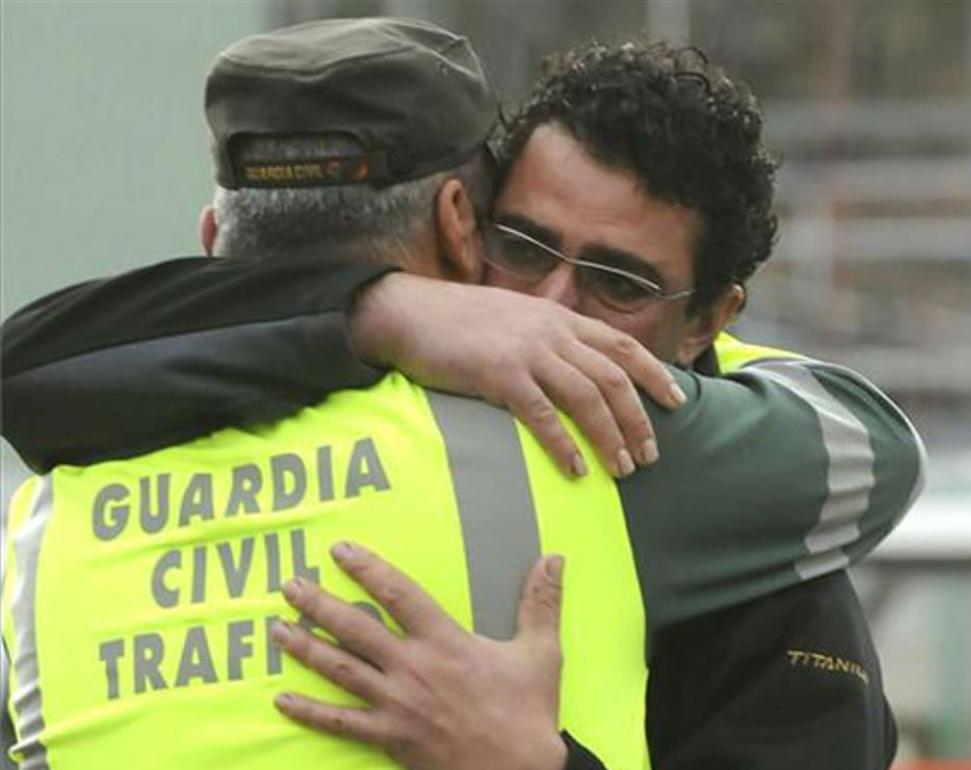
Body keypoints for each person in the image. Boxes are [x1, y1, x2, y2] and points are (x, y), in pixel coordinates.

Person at [1, 19, 923, 770]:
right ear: (460, 225)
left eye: (618, 284)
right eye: (520, 247)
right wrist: (383, 312)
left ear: (709, 321)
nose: (550, 316)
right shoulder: (574, 462)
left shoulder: (52, 524)